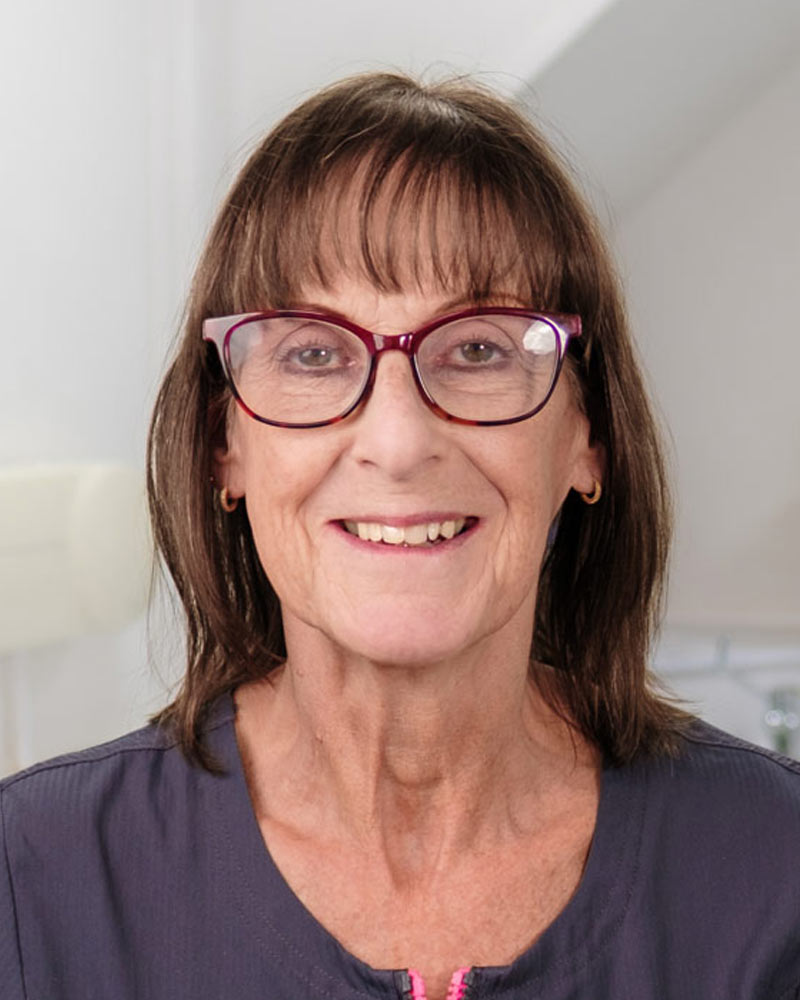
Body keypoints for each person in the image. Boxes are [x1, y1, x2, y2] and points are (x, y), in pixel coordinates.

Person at [1, 72, 799, 1000]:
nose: (399, 441)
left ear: (588, 437)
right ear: (226, 448)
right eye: (312, 352)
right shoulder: (33, 881)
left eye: (478, 350)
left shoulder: (775, 870)